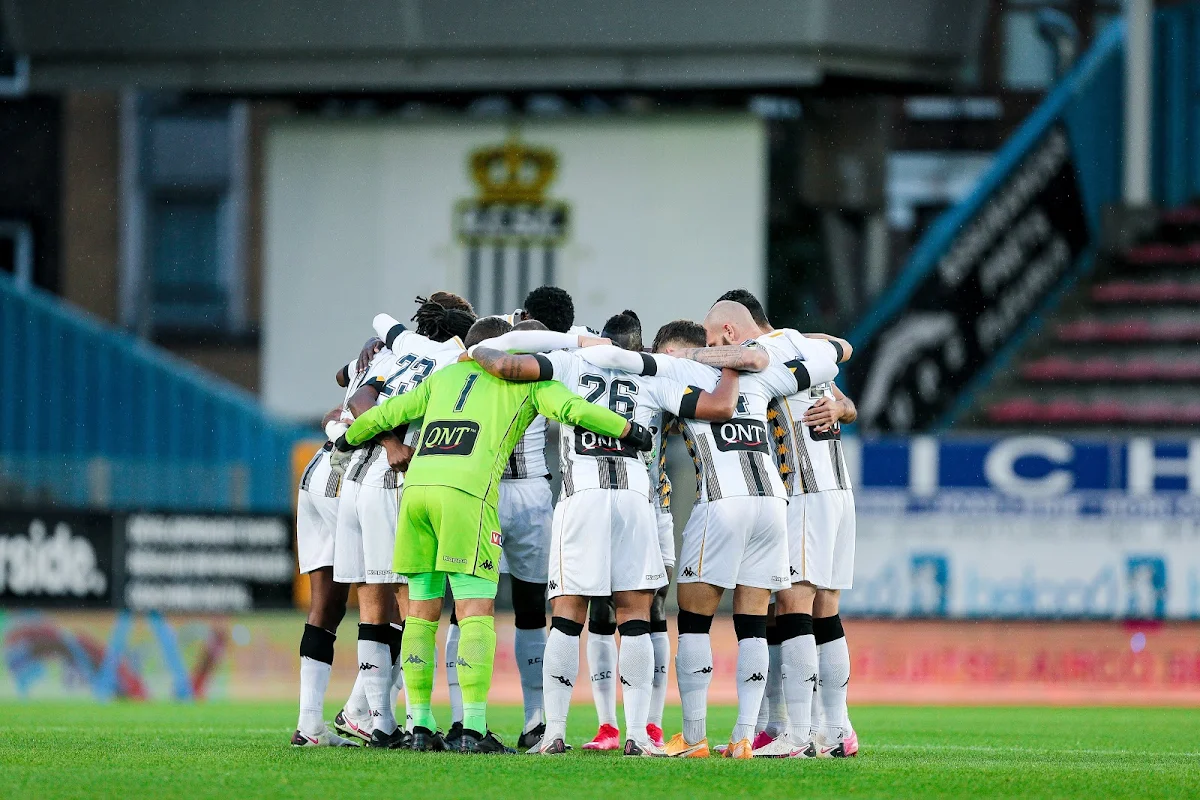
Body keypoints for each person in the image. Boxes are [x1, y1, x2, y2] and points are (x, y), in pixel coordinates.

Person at [331, 316, 653, 753]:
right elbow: (574, 409)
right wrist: (629, 429)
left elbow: (388, 412)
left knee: (421, 614)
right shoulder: (526, 383)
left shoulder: (444, 377)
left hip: (417, 494)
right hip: (467, 498)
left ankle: (421, 726)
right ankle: (473, 730)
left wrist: (351, 437)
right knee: (475, 611)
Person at [468, 313, 740, 756]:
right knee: (635, 613)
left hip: (582, 499)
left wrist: (477, 349)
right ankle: (637, 735)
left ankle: (553, 733)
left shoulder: (572, 363)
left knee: (567, 613)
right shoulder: (652, 375)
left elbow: (504, 364)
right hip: (636, 498)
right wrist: (736, 363)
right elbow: (719, 407)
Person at [577, 307, 839, 758]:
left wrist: (579, 344)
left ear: (674, 350)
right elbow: (829, 360)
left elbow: (623, 362)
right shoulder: (763, 375)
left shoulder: (675, 373)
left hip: (721, 503)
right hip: (773, 505)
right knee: (753, 622)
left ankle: (695, 736)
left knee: (695, 620)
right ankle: (742, 738)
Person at [714, 289, 859, 759]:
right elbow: (845, 388)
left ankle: (798, 735)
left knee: (795, 605)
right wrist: (841, 408)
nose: (717, 352)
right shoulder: (806, 346)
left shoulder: (766, 356)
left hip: (803, 489)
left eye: (716, 339)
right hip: (838, 490)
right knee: (824, 610)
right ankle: (836, 731)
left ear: (733, 331)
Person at [329, 298, 475, 748]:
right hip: (393, 480)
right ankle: (416, 721)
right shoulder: (454, 357)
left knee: (373, 604)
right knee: (416, 603)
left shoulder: (399, 348)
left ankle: (375, 720)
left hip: (352, 482)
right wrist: (395, 442)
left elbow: (352, 394)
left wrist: (381, 341)